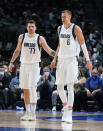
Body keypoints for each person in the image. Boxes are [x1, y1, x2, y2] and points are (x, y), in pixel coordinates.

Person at [50, 10, 92, 124]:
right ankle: (65, 106)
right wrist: (54, 59)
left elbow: (83, 44)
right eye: (61, 16)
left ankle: (69, 114)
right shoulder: (59, 28)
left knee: (69, 86)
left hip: (72, 60)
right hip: (61, 60)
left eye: (65, 17)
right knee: (59, 87)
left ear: (70, 17)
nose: (63, 18)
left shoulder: (76, 28)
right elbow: (59, 45)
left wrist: (88, 60)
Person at [8, 20, 55, 121]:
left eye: (32, 26)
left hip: (34, 65)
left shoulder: (39, 38)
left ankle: (33, 113)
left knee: (33, 88)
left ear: (35, 28)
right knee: (25, 89)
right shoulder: (22, 37)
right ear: (27, 27)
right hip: (24, 65)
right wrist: (11, 62)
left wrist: (57, 56)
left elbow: (48, 50)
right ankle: (27, 112)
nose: (30, 28)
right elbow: (17, 50)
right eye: (29, 26)